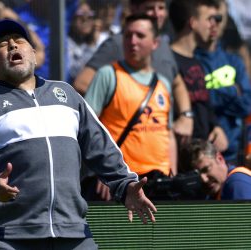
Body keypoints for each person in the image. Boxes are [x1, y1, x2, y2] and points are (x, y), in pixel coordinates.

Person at [0, 18, 157, 249]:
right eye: (2, 44)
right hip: (11, 234)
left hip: (73, 230)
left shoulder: (66, 94)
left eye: (18, 40)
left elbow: (101, 146)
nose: (12, 46)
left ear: (33, 52)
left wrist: (126, 185)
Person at [74, 0, 193, 143]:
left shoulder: (163, 44)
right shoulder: (119, 43)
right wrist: (126, 104)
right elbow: (82, 82)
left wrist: (186, 115)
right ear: (134, 8)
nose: (156, 14)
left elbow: (177, 83)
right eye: (150, 8)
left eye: (161, 8)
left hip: (161, 145)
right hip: (125, 150)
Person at [84, 13, 174, 201]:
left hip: (160, 182)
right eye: (127, 35)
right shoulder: (108, 75)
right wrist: (107, 173)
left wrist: (172, 175)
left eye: (140, 36)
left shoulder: (163, 83)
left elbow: (168, 134)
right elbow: (88, 129)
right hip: (123, 183)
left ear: (155, 43)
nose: (132, 41)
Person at [168, 0, 228, 170]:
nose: (214, 24)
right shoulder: (167, 60)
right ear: (193, 22)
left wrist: (215, 125)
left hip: (201, 159)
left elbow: (204, 104)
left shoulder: (197, 61)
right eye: (209, 19)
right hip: (179, 162)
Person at [194, 0, 251, 165]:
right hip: (204, 155)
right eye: (210, 19)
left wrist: (209, 94)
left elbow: (246, 105)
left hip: (234, 153)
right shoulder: (192, 62)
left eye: (219, 19)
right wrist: (232, 91)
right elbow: (197, 103)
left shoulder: (234, 61)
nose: (214, 24)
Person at [184, 139, 251, 200]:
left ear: (220, 159)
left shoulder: (237, 182)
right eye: (197, 175)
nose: (204, 179)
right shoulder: (213, 193)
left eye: (206, 169)